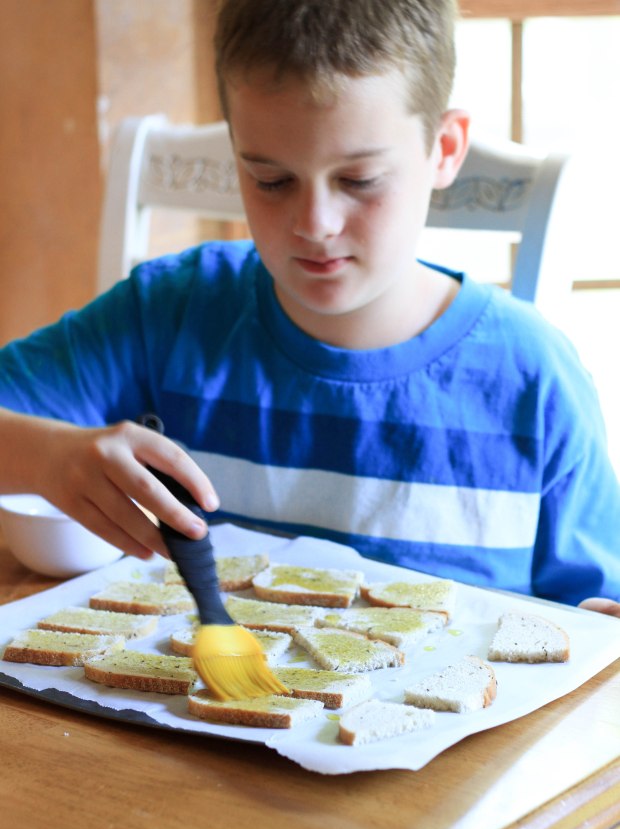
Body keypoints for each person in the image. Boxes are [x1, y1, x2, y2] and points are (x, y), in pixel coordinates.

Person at [0, 0, 618, 613]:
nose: (315, 224)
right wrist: (47, 456)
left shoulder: (535, 380)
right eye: (271, 181)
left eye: (359, 180)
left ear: (445, 148)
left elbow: (594, 616)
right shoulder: (169, 313)